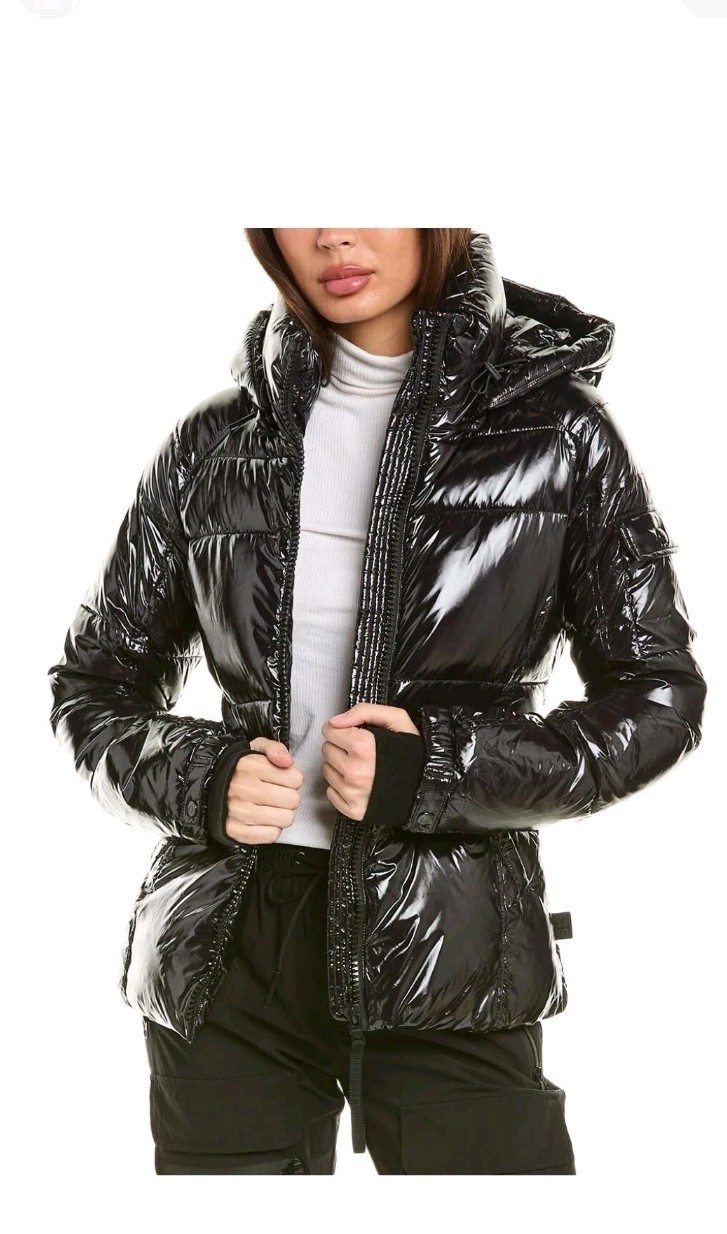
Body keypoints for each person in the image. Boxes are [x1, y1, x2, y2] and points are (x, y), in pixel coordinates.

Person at [47, 228, 707, 1175]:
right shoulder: (213, 442)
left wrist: (436, 770)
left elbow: (657, 697)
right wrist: (201, 778)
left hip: (449, 936)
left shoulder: (560, 435)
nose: (333, 235)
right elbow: (93, 684)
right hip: (232, 946)